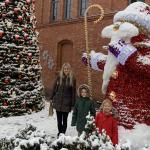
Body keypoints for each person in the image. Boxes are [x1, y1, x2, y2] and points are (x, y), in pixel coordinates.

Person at [50, 63, 76, 137]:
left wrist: (73, 104)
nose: (66, 70)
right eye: (65, 69)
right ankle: (60, 132)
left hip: (67, 103)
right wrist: (51, 97)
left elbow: (73, 92)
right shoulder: (59, 77)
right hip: (58, 101)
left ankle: (63, 133)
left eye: (67, 69)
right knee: (59, 120)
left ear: (70, 70)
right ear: (63, 69)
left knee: (64, 120)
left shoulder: (72, 79)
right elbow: (54, 88)